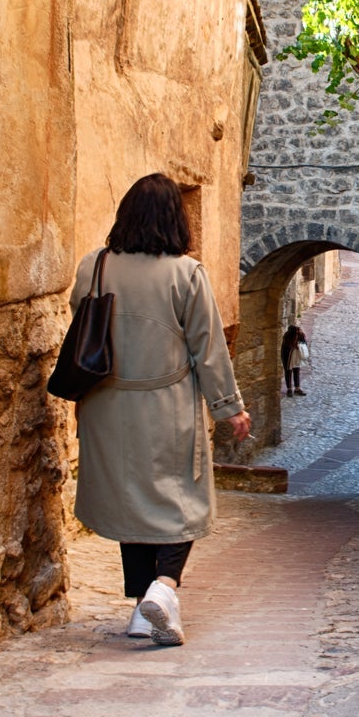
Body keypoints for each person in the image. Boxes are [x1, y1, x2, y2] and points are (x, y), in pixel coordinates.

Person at [70, 173, 251, 646]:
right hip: (165, 404)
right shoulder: (185, 273)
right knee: (178, 501)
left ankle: (138, 610)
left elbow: (82, 321)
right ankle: (165, 588)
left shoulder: (95, 266)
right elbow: (207, 349)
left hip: (106, 405)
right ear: (176, 219)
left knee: (132, 503)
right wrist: (229, 407)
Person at [280, 322, 308, 395]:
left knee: (296, 370)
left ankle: (297, 388)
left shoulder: (300, 335)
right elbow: (286, 347)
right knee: (288, 371)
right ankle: (289, 389)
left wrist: (298, 346)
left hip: (296, 356)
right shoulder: (287, 336)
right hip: (287, 355)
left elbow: (304, 343)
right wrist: (293, 346)